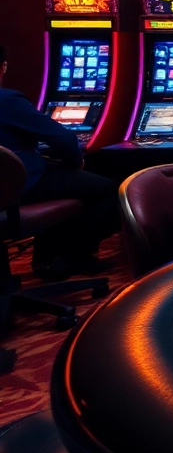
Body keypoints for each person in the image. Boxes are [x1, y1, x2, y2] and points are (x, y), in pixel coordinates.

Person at [0, 45, 118, 279]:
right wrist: (75, 162)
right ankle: (75, 257)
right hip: (16, 188)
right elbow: (63, 138)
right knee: (109, 190)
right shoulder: (7, 100)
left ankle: (47, 257)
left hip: (10, 187)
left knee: (62, 180)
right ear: (3, 67)